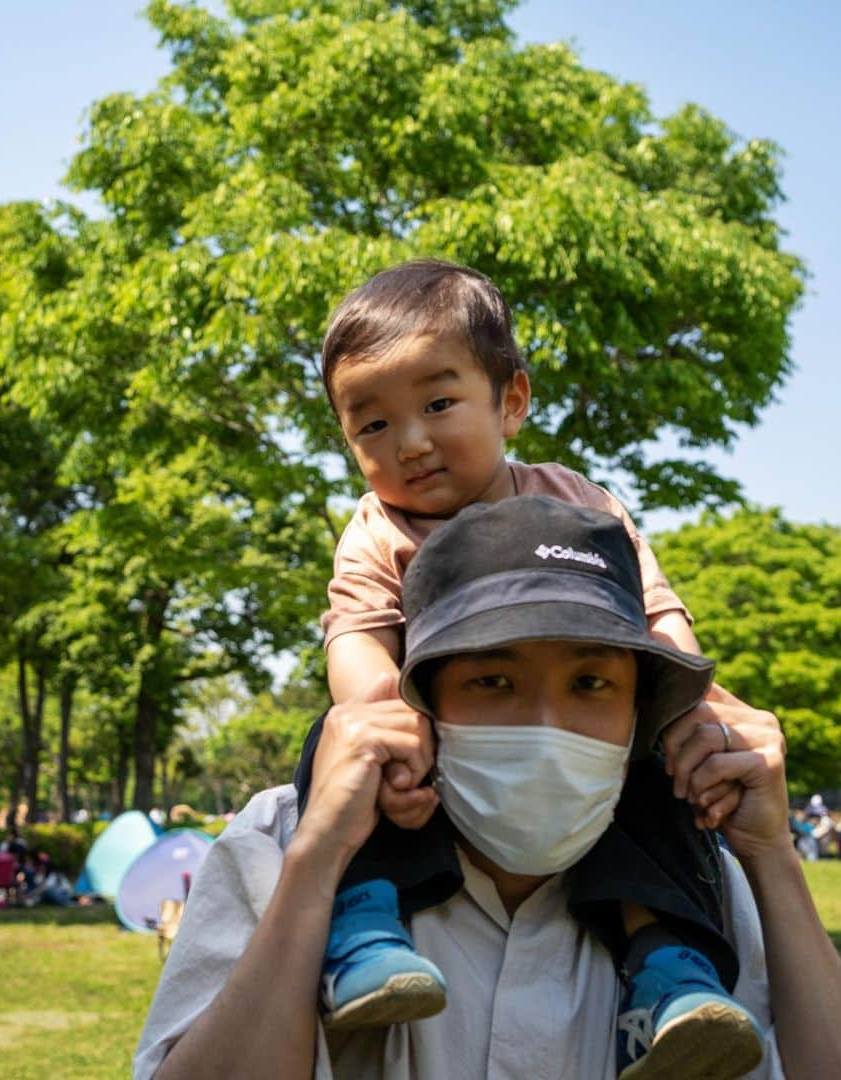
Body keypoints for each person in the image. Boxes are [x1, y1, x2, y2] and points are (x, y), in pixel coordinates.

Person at [135, 497, 841, 1080]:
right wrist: (315, 868)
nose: (547, 725)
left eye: (592, 682)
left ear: (640, 714)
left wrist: (771, 856)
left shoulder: (700, 879)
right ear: (421, 700)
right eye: (493, 680)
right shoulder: (282, 839)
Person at [309, 259, 757, 1074]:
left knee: (652, 771)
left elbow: (656, 612)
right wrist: (382, 711)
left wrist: (693, 706)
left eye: (438, 404)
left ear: (511, 400)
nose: (409, 443)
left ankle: (668, 967)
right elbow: (355, 632)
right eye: (371, 426)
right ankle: (365, 932)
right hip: (437, 755)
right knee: (333, 744)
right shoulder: (377, 530)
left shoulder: (576, 506)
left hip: (566, 740)